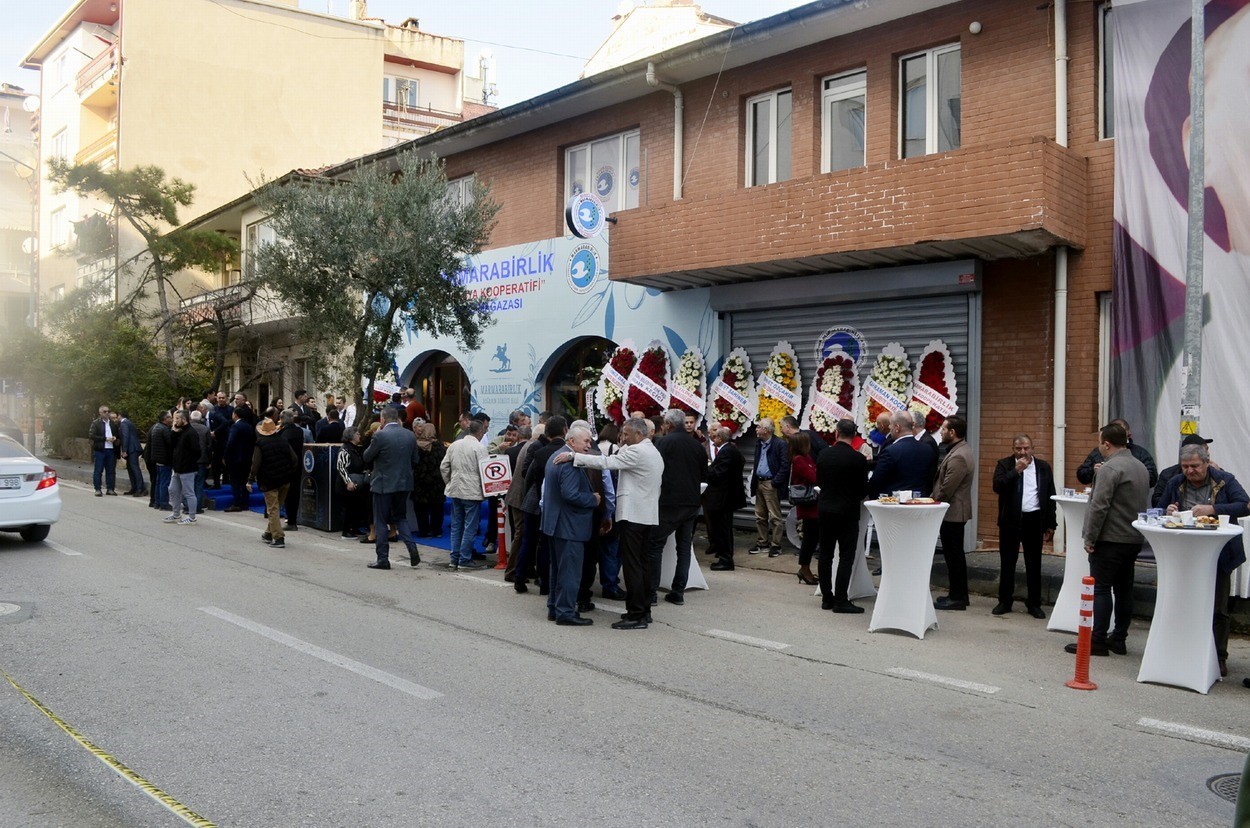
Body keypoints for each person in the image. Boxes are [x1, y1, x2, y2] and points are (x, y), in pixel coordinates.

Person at [559, 417, 664, 629]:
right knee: (641, 565)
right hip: (645, 515)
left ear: (638, 434)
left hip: (634, 515)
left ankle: (636, 615)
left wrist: (574, 456)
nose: (622, 438)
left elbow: (606, 463)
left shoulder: (638, 451)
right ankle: (642, 610)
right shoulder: (650, 450)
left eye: (626, 434)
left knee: (633, 566)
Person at [1158, 443, 1249, 678]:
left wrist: (1213, 508)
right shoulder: (1174, 483)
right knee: (1184, 604)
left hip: (1218, 555)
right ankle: (1183, 652)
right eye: (1185, 466)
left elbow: (1244, 505)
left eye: (1195, 466)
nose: (1190, 471)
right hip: (1184, 554)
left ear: (1207, 463)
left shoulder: (1224, 480)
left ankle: (1218, 657)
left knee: (1218, 608)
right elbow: (1157, 510)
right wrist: (1167, 509)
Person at [1065, 422, 1150, 657]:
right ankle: (1119, 638)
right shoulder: (1140, 466)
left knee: (1101, 588)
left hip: (1110, 538)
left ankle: (1098, 639)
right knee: (1124, 590)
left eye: (1099, 443)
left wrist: (1090, 537)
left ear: (1106, 444)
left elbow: (1099, 506)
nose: (1099, 448)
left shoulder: (1110, 469)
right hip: (1132, 538)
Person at [540, 424, 601, 626]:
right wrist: (593, 499)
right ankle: (565, 611)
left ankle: (554, 608)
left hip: (556, 524)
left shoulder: (557, 455)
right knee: (570, 572)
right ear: (571, 441)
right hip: (569, 525)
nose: (588, 445)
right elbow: (571, 495)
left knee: (558, 570)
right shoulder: (568, 462)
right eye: (585, 441)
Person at [646, 409, 708, 604]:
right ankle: (678, 591)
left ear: (669, 425)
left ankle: (651, 593)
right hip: (691, 502)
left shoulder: (663, 443)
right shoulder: (697, 446)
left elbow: (655, 470)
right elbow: (704, 475)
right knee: (684, 548)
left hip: (669, 502)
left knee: (655, 545)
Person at [991, 434, 1057, 618]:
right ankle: (1005, 601)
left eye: (1026, 448)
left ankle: (1034, 603)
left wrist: (1051, 524)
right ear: (1013, 449)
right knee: (1008, 562)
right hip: (1010, 521)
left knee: (1034, 563)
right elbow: (998, 486)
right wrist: (1016, 470)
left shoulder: (1043, 467)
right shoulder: (1004, 464)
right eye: (1018, 449)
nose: (1022, 452)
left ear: (1032, 448)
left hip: (1034, 519)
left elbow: (1050, 495)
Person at [816, 419, 870, 613]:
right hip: (847, 511)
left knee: (825, 554)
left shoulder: (823, 454)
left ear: (836, 433)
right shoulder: (858, 459)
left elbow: (820, 481)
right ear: (854, 436)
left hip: (826, 509)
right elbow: (863, 489)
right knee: (846, 556)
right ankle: (840, 599)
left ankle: (826, 597)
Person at [362, 406, 422, 570]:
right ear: (397, 419)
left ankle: (383, 558)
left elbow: (366, 456)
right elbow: (415, 460)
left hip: (383, 483)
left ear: (382, 419)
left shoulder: (380, 435)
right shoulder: (410, 435)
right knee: (401, 518)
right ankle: (412, 549)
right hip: (403, 483)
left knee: (381, 520)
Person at [516, 416, 567, 594]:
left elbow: (528, 475)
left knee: (529, 542)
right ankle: (544, 582)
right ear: (565, 430)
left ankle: (520, 578)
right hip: (548, 502)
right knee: (545, 544)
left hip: (533, 500)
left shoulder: (540, 451)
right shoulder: (564, 453)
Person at [931, 415, 975, 611]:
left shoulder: (958, 455)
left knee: (954, 555)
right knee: (953, 554)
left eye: (943, 428)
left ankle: (957, 597)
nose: (940, 431)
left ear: (953, 432)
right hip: (954, 511)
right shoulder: (959, 450)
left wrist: (932, 501)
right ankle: (958, 595)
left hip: (953, 513)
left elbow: (948, 488)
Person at [440, 419, 488, 570]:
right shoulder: (480, 448)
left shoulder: (454, 445)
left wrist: (449, 481)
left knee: (456, 525)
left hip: (455, 489)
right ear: (480, 432)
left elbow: (444, 466)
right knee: (470, 526)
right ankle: (465, 558)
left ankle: (454, 558)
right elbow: (485, 472)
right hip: (472, 492)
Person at [703, 426, 746, 571]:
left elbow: (717, 474)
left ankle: (726, 559)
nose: (713, 439)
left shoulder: (726, 452)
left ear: (720, 438)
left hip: (723, 498)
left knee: (723, 529)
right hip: (725, 497)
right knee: (723, 528)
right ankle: (723, 555)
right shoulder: (732, 450)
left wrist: (707, 468)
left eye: (715, 437)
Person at [251, 416, 298, 547]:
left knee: (272, 509)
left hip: (269, 480)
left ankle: (278, 537)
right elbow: (294, 459)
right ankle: (268, 533)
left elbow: (256, 464)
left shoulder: (260, 444)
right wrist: (289, 472)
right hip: (285, 479)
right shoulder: (283, 440)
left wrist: (250, 479)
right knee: (276, 508)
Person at [868, 411, 937, 498]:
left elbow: (876, 481)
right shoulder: (927, 449)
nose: (889, 427)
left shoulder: (891, 451)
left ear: (897, 427)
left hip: (894, 503)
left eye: (891, 425)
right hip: (919, 502)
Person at [1076, 417, 1158, 489]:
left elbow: (1152, 479)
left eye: (1121, 434)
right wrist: (1093, 470)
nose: (1118, 438)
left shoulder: (1140, 453)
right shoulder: (1098, 452)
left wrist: (1126, 476)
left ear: (1128, 435)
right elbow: (1081, 475)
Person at [748, 417, 790, 557]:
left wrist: (774, 483)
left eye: (759, 426)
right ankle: (762, 542)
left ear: (766, 430)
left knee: (775, 516)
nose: (756, 429)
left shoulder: (780, 444)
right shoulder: (759, 443)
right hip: (759, 482)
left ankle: (776, 545)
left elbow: (785, 466)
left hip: (771, 484)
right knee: (760, 515)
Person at [502, 425, 537, 581]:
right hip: (520, 497)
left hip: (516, 496)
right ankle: (512, 570)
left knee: (521, 534)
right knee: (520, 534)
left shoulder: (524, 447)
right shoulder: (531, 448)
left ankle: (522, 568)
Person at [787, 430, 820, 583]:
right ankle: (804, 568)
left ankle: (805, 568)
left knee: (812, 537)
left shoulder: (806, 457)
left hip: (813, 503)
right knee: (809, 538)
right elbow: (813, 476)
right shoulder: (798, 460)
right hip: (808, 504)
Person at [1152, 434, 1216, 507]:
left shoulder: (1219, 476)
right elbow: (1157, 503)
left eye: (1207, 449)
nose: (1207, 453)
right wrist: (1169, 509)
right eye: (1204, 450)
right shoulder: (1170, 476)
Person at [164, 411, 201, 524]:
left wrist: (187, 462)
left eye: (177, 419)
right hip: (178, 468)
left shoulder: (191, 432)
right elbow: (172, 445)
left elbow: (197, 451)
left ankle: (192, 517)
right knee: (173, 489)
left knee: (189, 493)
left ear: (183, 419)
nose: (175, 421)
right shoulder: (181, 431)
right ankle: (176, 514)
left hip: (187, 468)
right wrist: (174, 432)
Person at [411, 422, 447, 539]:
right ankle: (437, 530)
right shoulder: (440, 447)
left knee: (421, 508)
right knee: (437, 508)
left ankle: (423, 530)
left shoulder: (416, 446)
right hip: (437, 482)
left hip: (420, 482)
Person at [336, 427, 370, 538]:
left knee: (356, 507)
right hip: (347, 485)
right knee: (348, 508)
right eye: (357, 434)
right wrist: (348, 482)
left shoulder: (356, 448)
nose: (359, 436)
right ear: (351, 436)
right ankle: (346, 531)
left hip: (357, 483)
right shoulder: (345, 450)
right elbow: (341, 468)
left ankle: (354, 528)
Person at [223, 407, 256, 512]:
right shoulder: (249, 427)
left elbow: (230, 442)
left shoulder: (235, 426)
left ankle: (236, 503)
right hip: (247, 458)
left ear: (235, 415)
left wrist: (225, 456)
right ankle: (245, 503)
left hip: (235, 458)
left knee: (235, 481)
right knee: (245, 481)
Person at [278, 410, 305, 531]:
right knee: (295, 493)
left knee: (288, 495)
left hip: (286, 468)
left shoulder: (283, 434)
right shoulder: (299, 431)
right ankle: (293, 519)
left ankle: (291, 521)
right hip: (298, 467)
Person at [88, 404, 119, 496]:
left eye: (108, 411)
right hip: (100, 450)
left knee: (111, 471)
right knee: (98, 470)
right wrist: (105, 438)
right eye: (105, 412)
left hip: (111, 450)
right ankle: (98, 489)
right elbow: (91, 435)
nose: (107, 413)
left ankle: (110, 488)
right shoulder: (96, 423)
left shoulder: (112, 424)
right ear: (100, 413)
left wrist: (114, 438)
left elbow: (117, 433)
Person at [147, 411, 174, 510]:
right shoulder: (165, 429)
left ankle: (157, 502)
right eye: (170, 418)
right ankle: (163, 503)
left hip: (157, 459)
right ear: (165, 419)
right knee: (164, 482)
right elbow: (170, 443)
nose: (171, 419)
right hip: (164, 459)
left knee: (159, 481)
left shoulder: (156, 427)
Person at [117, 410, 146, 497]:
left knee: (134, 468)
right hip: (132, 448)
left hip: (132, 448)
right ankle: (134, 487)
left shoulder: (124, 423)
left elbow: (126, 436)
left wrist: (124, 450)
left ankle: (140, 488)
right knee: (130, 468)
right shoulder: (128, 422)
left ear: (120, 415)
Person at [189, 408, 212, 513]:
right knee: (199, 484)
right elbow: (208, 447)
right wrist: (208, 461)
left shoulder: (187, 428)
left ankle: (187, 506)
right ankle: (197, 507)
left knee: (188, 485)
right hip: (201, 460)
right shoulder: (205, 429)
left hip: (189, 460)